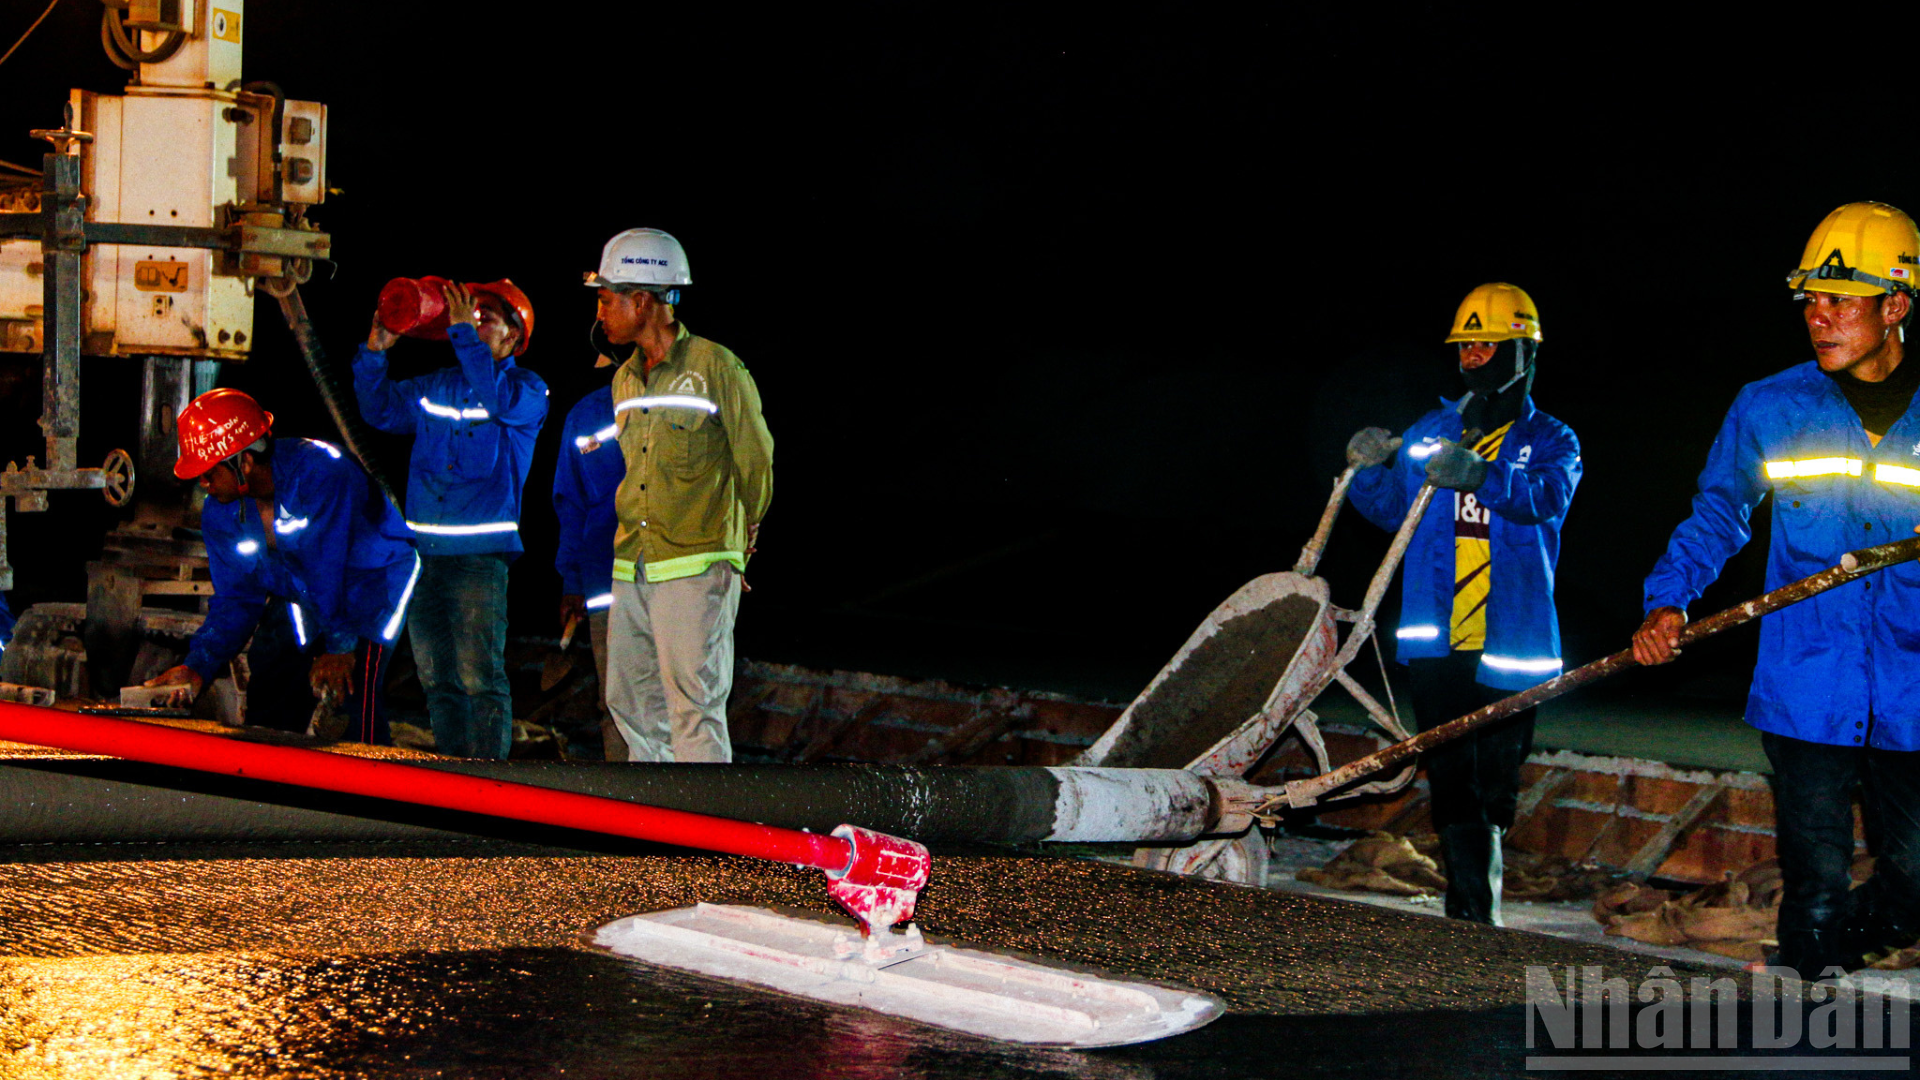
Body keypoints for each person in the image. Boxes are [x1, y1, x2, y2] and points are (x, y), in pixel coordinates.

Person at [1632, 201, 1920, 978]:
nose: (1818, 318)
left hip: (1914, 684)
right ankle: (1805, 1015)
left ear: (1894, 306)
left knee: (1916, 879)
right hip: (1808, 680)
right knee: (1815, 882)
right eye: (1811, 301)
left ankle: (1855, 946)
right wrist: (1669, 600)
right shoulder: (1771, 405)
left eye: (1840, 300)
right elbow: (1719, 513)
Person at [1346, 282, 1583, 925]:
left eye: (1487, 343)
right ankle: (1471, 918)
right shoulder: (1429, 431)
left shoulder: (1554, 440)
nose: (1473, 356)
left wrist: (1482, 474)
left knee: (1496, 778)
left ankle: (1483, 897)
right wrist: (1367, 472)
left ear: (1521, 351)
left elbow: (1545, 501)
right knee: (1451, 773)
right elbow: (1395, 510)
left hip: (1511, 640)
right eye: (1465, 344)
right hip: (1437, 636)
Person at [587, 228, 773, 762]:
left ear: (641, 300)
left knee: (693, 709)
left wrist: (741, 538)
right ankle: (656, 837)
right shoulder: (624, 380)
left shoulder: (715, 367)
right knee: (631, 704)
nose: (600, 313)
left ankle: (706, 842)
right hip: (634, 564)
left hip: (695, 563)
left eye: (606, 299)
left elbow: (755, 461)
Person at [145, 389, 421, 742]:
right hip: (303, 587)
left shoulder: (321, 473)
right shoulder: (220, 513)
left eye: (209, 473)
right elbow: (236, 599)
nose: (203, 483)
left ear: (243, 463)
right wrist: (197, 666)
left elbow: (328, 565)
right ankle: (271, 784)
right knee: (272, 676)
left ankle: (368, 787)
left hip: (373, 581)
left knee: (351, 694)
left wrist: (339, 648)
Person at [354, 279, 548, 760]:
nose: (474, 323)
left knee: (480, 678)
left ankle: (488, 785)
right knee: (437, 679)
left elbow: (497, 399)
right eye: (470, 315)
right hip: (423, 560)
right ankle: (450, 780)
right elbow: (380, 411)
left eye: (487, 319)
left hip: (478, 562)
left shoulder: (527, 392)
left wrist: (463, 335)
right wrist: (376, 351)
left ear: (513, 339)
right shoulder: (438, 386)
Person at [554, 367, 626, 760]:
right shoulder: (585, 413)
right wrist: (572, 581)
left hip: (674, 581)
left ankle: (678, 807)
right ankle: (626, 808)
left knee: (679, 704)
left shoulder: (678, 397)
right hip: (604, 585)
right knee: (614, 704)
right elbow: (572, 504)